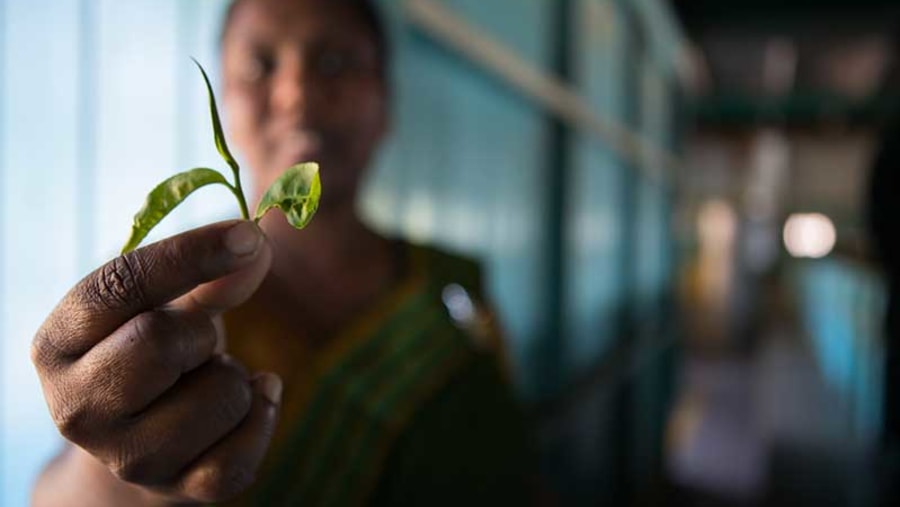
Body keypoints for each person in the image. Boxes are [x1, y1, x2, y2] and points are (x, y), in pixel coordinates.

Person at [30, 0, 533, 505]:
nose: (297, 95)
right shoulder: (172, 304)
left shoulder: (456, 287)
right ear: (226, 102)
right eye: (260, 66)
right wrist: (118, 475)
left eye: (335, 62)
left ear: (384, 102)